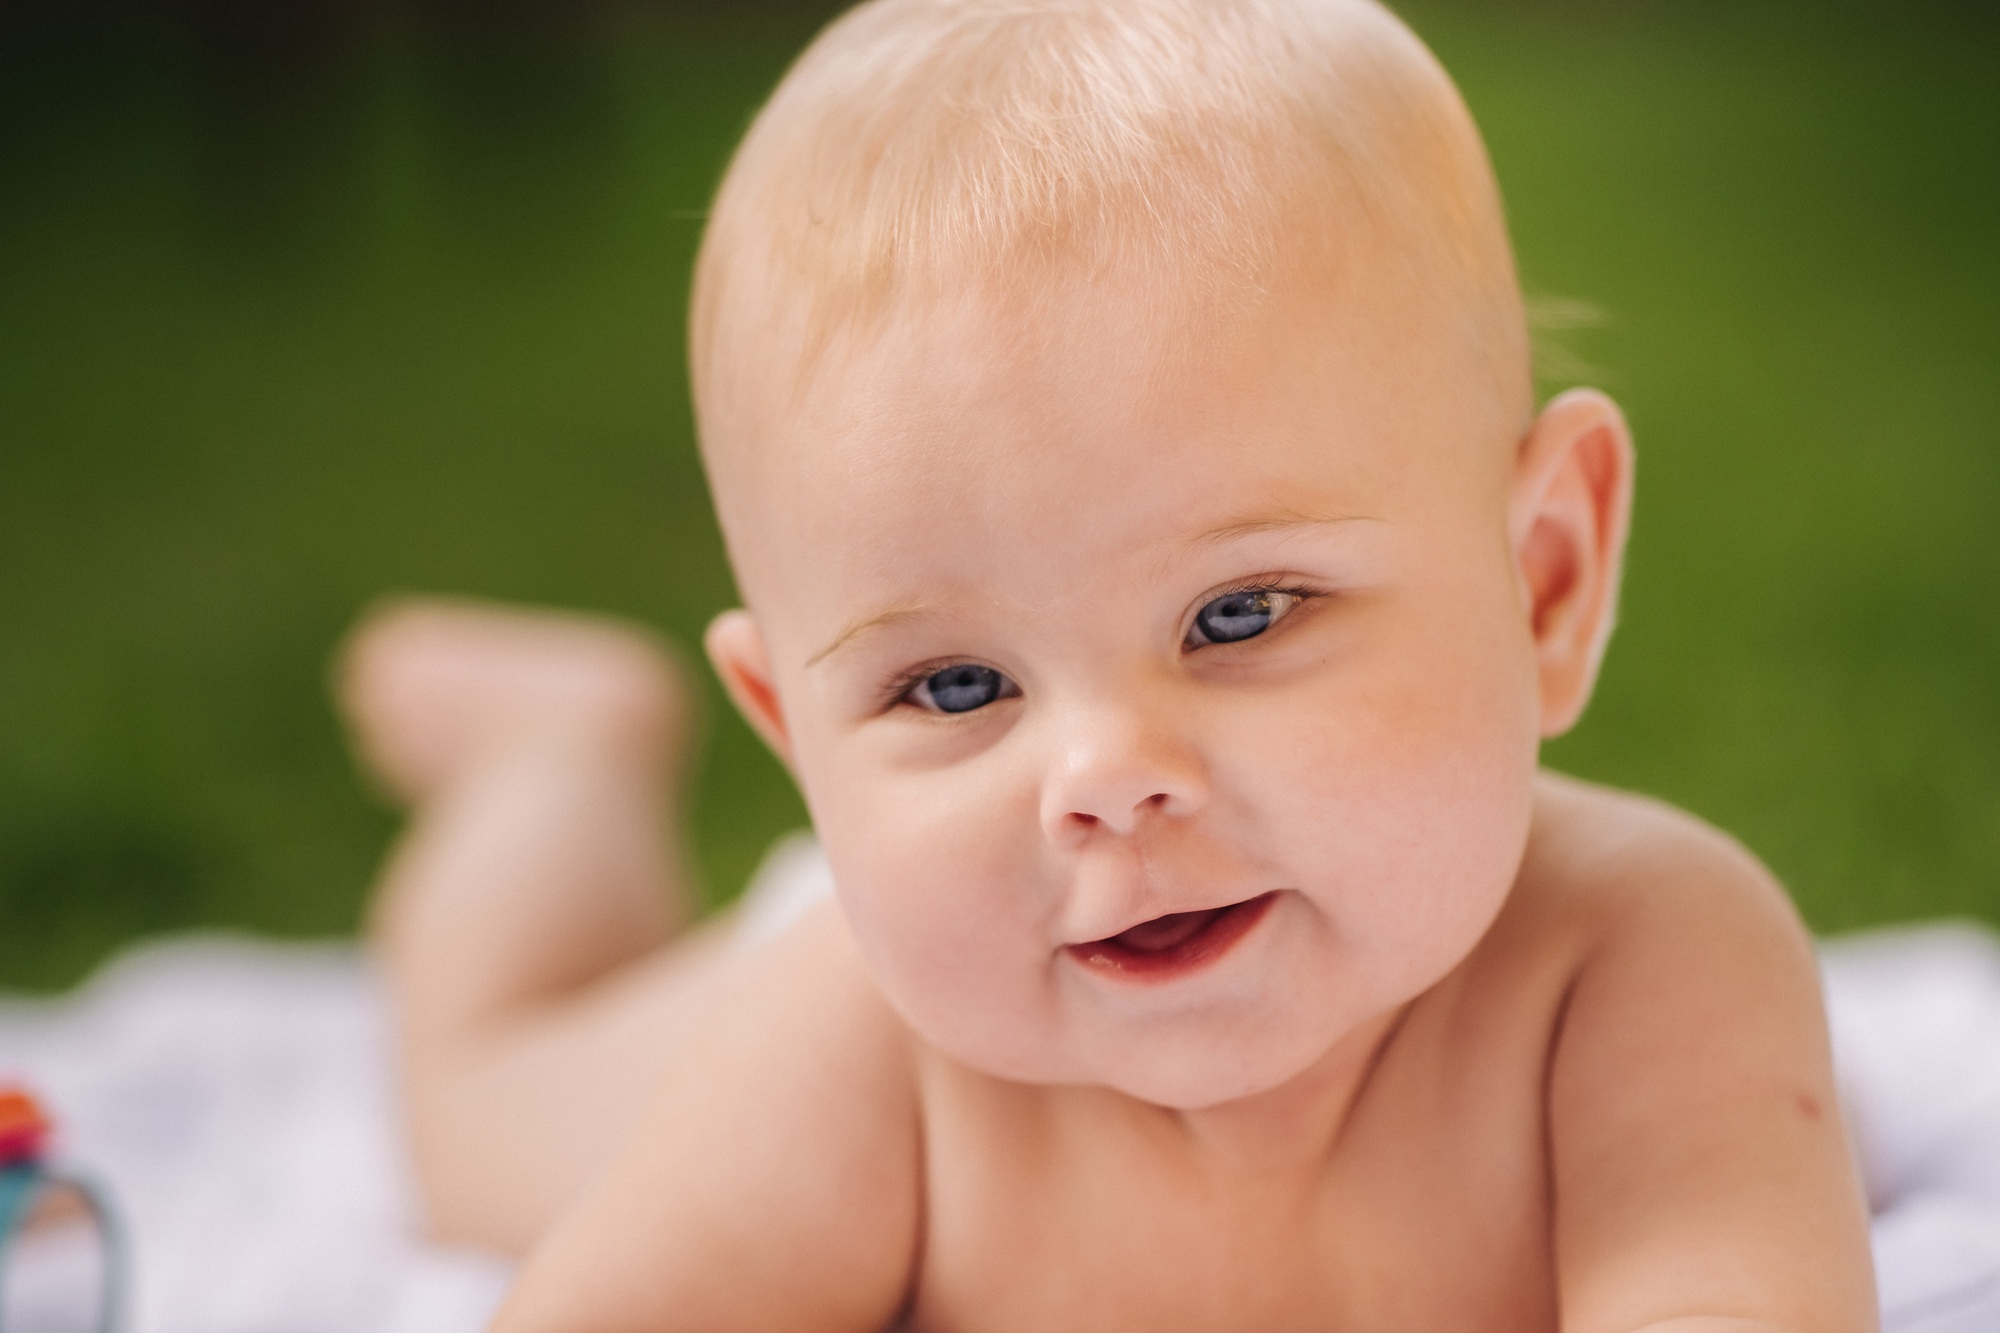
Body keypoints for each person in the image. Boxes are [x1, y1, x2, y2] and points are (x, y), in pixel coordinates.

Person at [339, 0, 1878, 1327]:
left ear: (1544, 577)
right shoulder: (864, 1041)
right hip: (860, 986)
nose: (1106, 776)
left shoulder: (1635, 964)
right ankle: (557, 758)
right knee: (479, 1111)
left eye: (1238, 613)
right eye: (953, 685)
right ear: (800, 739)